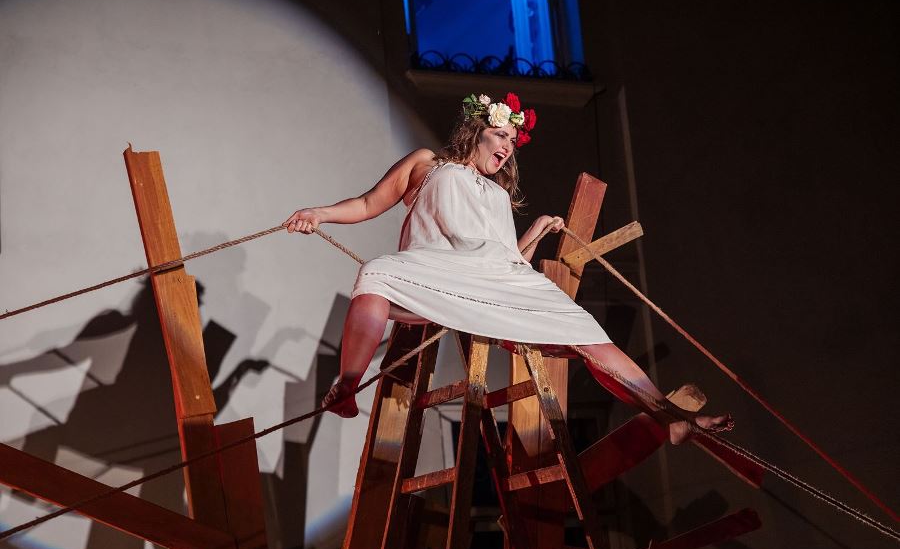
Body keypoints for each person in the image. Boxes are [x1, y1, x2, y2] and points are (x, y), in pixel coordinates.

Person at [283, 92, 731, 444]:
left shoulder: (497, 195)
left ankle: (671, 418)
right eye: (500, 136)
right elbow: (367, 203)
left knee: (587, 332)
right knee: (377, 273)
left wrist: (535, 231)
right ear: (475, 132)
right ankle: (347, 385)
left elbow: (507, 260)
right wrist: (318, 214)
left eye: (512, 142)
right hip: (436, 270)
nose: (507, 147)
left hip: (498, 279)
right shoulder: (427, 165)